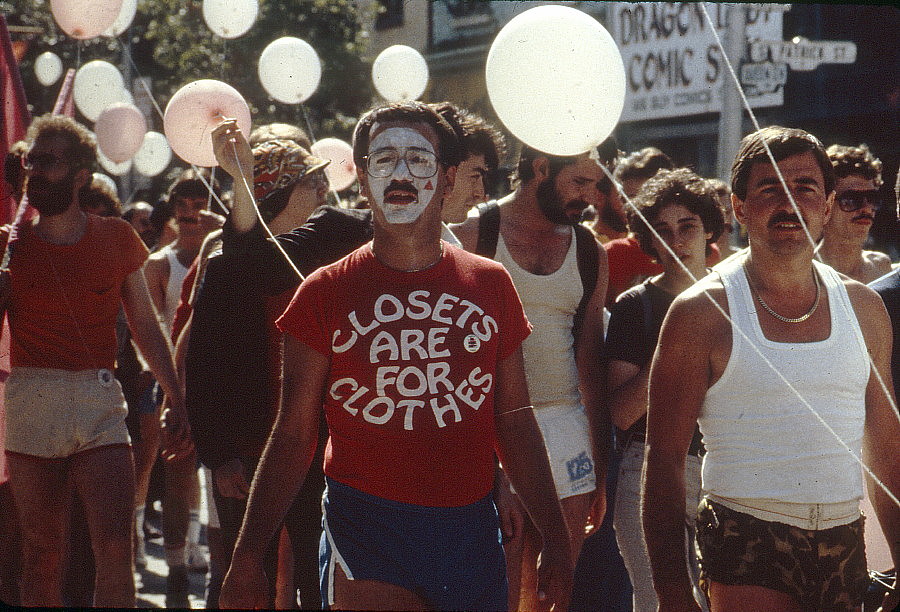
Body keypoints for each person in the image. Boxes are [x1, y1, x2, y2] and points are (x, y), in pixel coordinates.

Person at [215, 101, 574, 610]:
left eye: (418, 160)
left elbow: (513, 420)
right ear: (362, 180)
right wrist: (248, 554)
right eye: (384, 161)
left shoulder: (490, 284)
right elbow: (294, 434)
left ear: (448, 180)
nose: (401, 174)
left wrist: (556, 541)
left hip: (469, 531)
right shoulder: (323, 293)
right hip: (365, 525)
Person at [642, 126, 899, 612]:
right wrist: (672, 594)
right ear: (739, 208)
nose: (789, 203)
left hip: (844, 541)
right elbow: (664, 460)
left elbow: (886, 449)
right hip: (746, 538)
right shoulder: (701, 313)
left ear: (825, 206)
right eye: (769, 189)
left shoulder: (864, 309)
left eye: (804, 188)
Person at [0, 114, 189, 606]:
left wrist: (177, 397)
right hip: (30, 397)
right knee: (41, 551)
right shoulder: (8, 246)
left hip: (98, 397)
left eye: (50, 162)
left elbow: (147, 328)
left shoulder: (116, 238)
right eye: (30, 161)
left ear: (81, 175)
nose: (36, 171)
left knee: (113, 545)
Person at [452, 141, 609, 610]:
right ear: (541, 168)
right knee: (499, 590)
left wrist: (601, 468)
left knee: (553, 592)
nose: (591, 196)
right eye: (579, 182)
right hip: (494, 427)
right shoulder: (477, 231)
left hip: (567, 427)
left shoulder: (587, 248)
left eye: (596, 185)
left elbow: (592, 364)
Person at [181, 138, 331, 608]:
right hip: (246, 457)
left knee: (316, 570)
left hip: (316, 452)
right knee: (249, 575)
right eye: (311, 180)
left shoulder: (329, 260)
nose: (325, 188)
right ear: (281, 191)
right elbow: (201, 365)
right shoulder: (227, 269)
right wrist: (218, 454)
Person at [606, 169, 724, 611]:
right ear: (649, 240)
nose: (676, 240)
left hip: (727, 464)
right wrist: (678, 341)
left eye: (687, 226)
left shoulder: (735, 293)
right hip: (650, 468)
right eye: (662, 229)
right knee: (662, 602)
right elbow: (619, 411)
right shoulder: (635, 306)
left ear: (709, 228)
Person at [143, 168, 224, 605]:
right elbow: (154, 330)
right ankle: (175, 572)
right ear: (172, 211)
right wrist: (168, 388)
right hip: (176, 383)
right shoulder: (160, 264)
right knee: (177, 479)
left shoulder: (226, 251)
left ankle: (210, 566)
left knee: (218, 482)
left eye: (199, 205)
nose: (192, 214)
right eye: (183, 206)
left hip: (219, 384)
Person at [604, 147, 675, 305]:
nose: (632, 207)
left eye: (643, 198)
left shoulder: (701, 249)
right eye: (627, 199)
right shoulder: (612, 254)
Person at [817, 143, 892, 283]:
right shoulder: (805, 272)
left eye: (872, 198)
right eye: (851, 199)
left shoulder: (881, 267)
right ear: (825, 205)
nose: (866, 208)